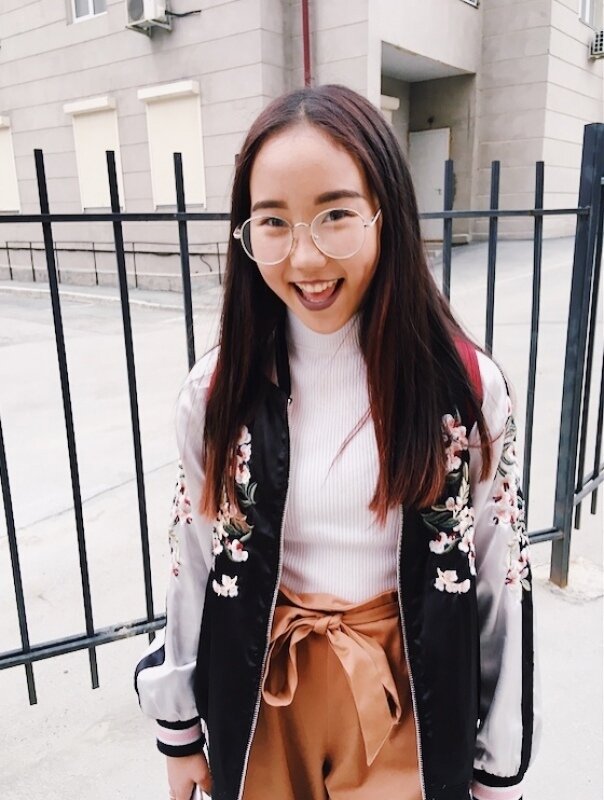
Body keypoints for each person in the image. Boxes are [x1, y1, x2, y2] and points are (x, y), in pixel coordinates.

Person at [134, 84, 539, 800]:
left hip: (409, 699)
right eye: (273, 222)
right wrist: (180, 728)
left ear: (386, 214)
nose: (306, 257)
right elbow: (192, 557)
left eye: (336, 215)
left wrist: (496, 766)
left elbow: (499, 575)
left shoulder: (464, 390)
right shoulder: (218, 392)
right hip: (263, 697)